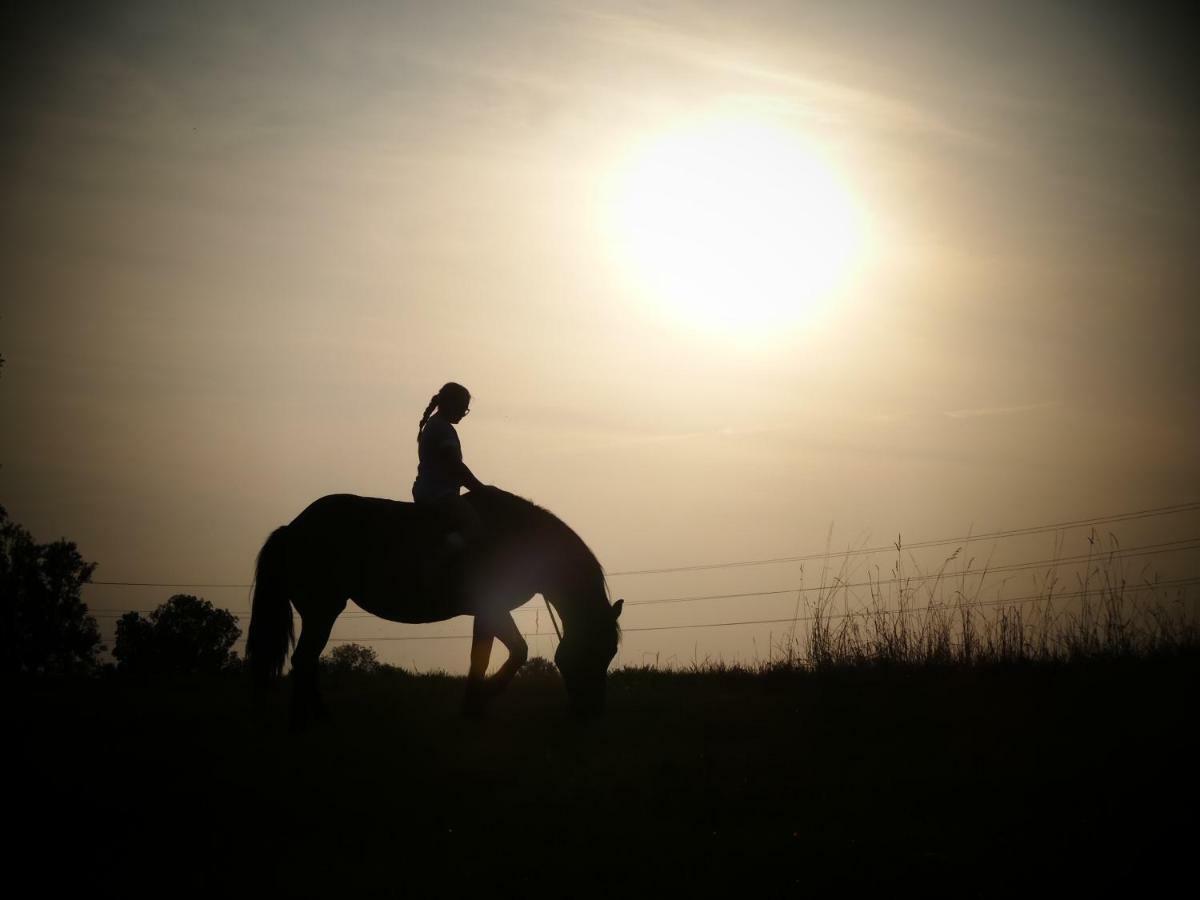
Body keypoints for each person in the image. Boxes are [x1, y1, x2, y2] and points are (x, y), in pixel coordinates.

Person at [412, 382, 487, 583]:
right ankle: (440, 560)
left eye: (466, 410)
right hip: (439, 493)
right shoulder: (442, 429)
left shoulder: (436, 425)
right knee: (473, 526)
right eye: (463, 407)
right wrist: (482, 490)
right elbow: (455, 466)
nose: (464, 413)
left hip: (430, 490)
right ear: (449, 403)